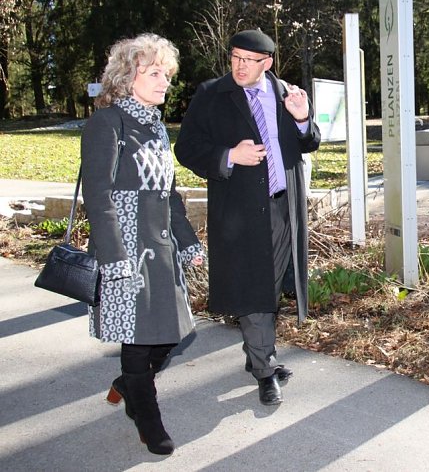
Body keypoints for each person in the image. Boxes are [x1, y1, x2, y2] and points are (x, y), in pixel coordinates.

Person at [174, 29, 320, 406]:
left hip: (284, 204)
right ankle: (264, 368)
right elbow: (187, 148)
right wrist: (228, 156)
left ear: (266, 63)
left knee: (272, 285)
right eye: (234, 57)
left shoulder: (287, 93)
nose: (239, 65)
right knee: (256, 286)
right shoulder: (211, 94)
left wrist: (303, 119)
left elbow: (309, 141)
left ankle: (258, 353)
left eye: (248, 60)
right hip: (239, 208)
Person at [81, 33, 205, 456]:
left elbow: (168, 194)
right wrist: (114, 258)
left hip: (161, 245)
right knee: (136, 339)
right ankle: (146, 415)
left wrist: (187, 242)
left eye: (166, 75)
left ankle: (126, 386)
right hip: (126, 247)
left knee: (170, 334)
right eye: (154, 73)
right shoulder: (107, 122)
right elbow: (97, 197)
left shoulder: (154, 125)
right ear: (127, 75)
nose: (164, 82)